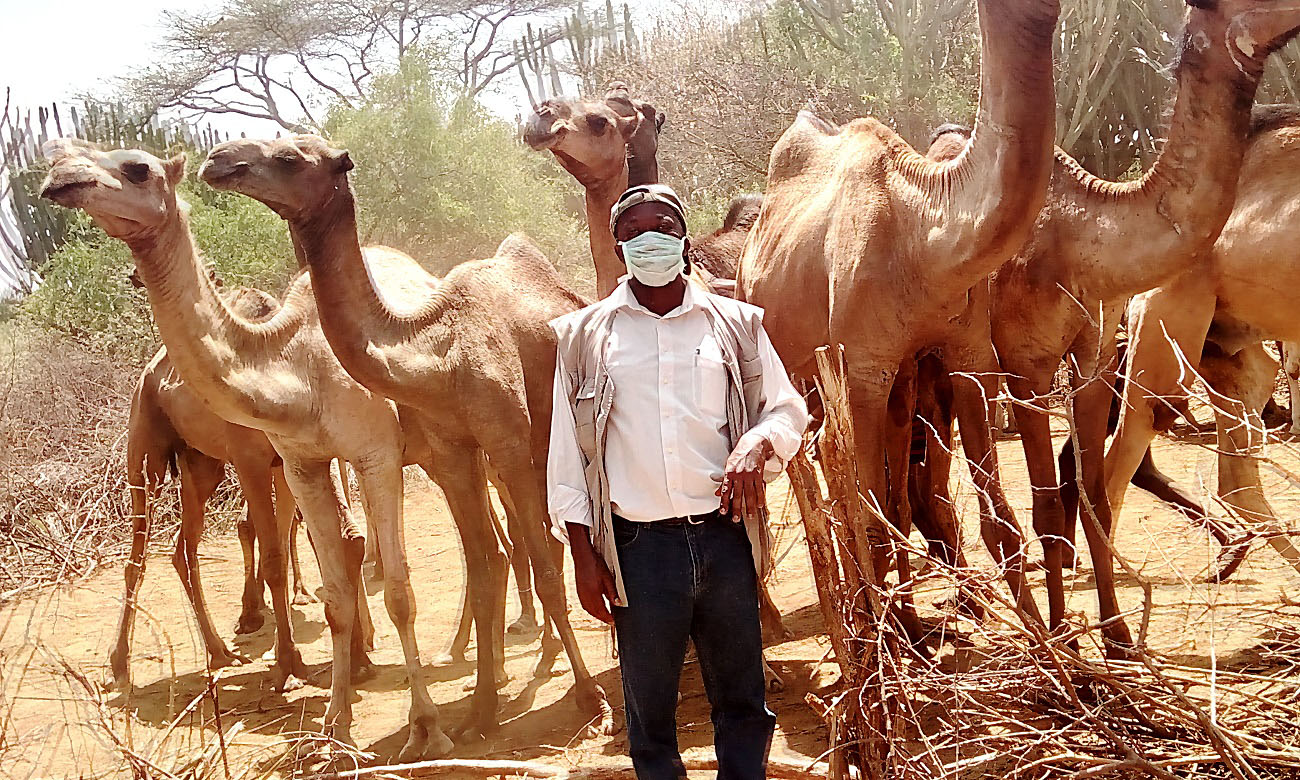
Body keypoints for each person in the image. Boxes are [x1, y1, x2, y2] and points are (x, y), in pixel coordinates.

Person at [547, 184, 810, 779]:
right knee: (649, 716)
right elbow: (568, 454)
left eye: (662, 225)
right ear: (618, 248)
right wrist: (585, 557)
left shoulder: (735, 324)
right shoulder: (585, 337)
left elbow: (787, 408)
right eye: (634, 231)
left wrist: (756, 442)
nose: (650, 239)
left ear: (684, 238)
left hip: (725, 539)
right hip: (639, 549)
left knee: (742, 702)